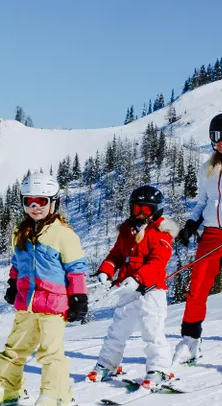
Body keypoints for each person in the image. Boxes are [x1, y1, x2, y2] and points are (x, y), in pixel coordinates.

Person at [0, 172, 88, 406]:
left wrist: (79, 298)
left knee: (50, 352)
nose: (35, 207)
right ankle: (8, 388)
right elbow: (17, 264)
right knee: (14, 348)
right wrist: (12, 284)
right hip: (26, 303)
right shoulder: (20, 232)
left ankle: (56, 394)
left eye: (41, 200)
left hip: (53, 304)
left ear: (53, 202)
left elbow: (76, 269)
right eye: (29, 201)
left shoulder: (64, 234)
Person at [87, 186, 178, 387]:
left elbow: (157, 262)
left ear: (156, 211)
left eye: (146, 210)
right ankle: (107, 364)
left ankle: (159, 368)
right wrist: (106, 271)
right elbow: (116, 255)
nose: (140, 214)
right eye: (136, 208)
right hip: (127, 291)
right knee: (118, 329)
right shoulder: (127, 231)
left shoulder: (162, 233)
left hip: (151, 291)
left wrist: (138, 278)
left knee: (152, 330)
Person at [174, 113, 222, 364]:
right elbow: (203, 202)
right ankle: (190, 340)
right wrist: (191, 225)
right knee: (198, 286)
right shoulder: (208, 168)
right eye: (217, 136)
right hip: (213, 234)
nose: (221, 141)